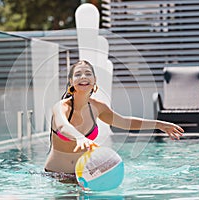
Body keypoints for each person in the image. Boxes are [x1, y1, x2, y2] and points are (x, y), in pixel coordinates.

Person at [44, 60, 184, 176]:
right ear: (71, 81)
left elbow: (124, 122)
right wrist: (79, 137)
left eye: (88, 73)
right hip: (55, 176)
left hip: (82, 176)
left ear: (94, 80)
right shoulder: (62, 107)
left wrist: (159, 124)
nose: (83, 77)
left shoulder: (98, 107)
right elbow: (63, 126)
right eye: (78, 74)